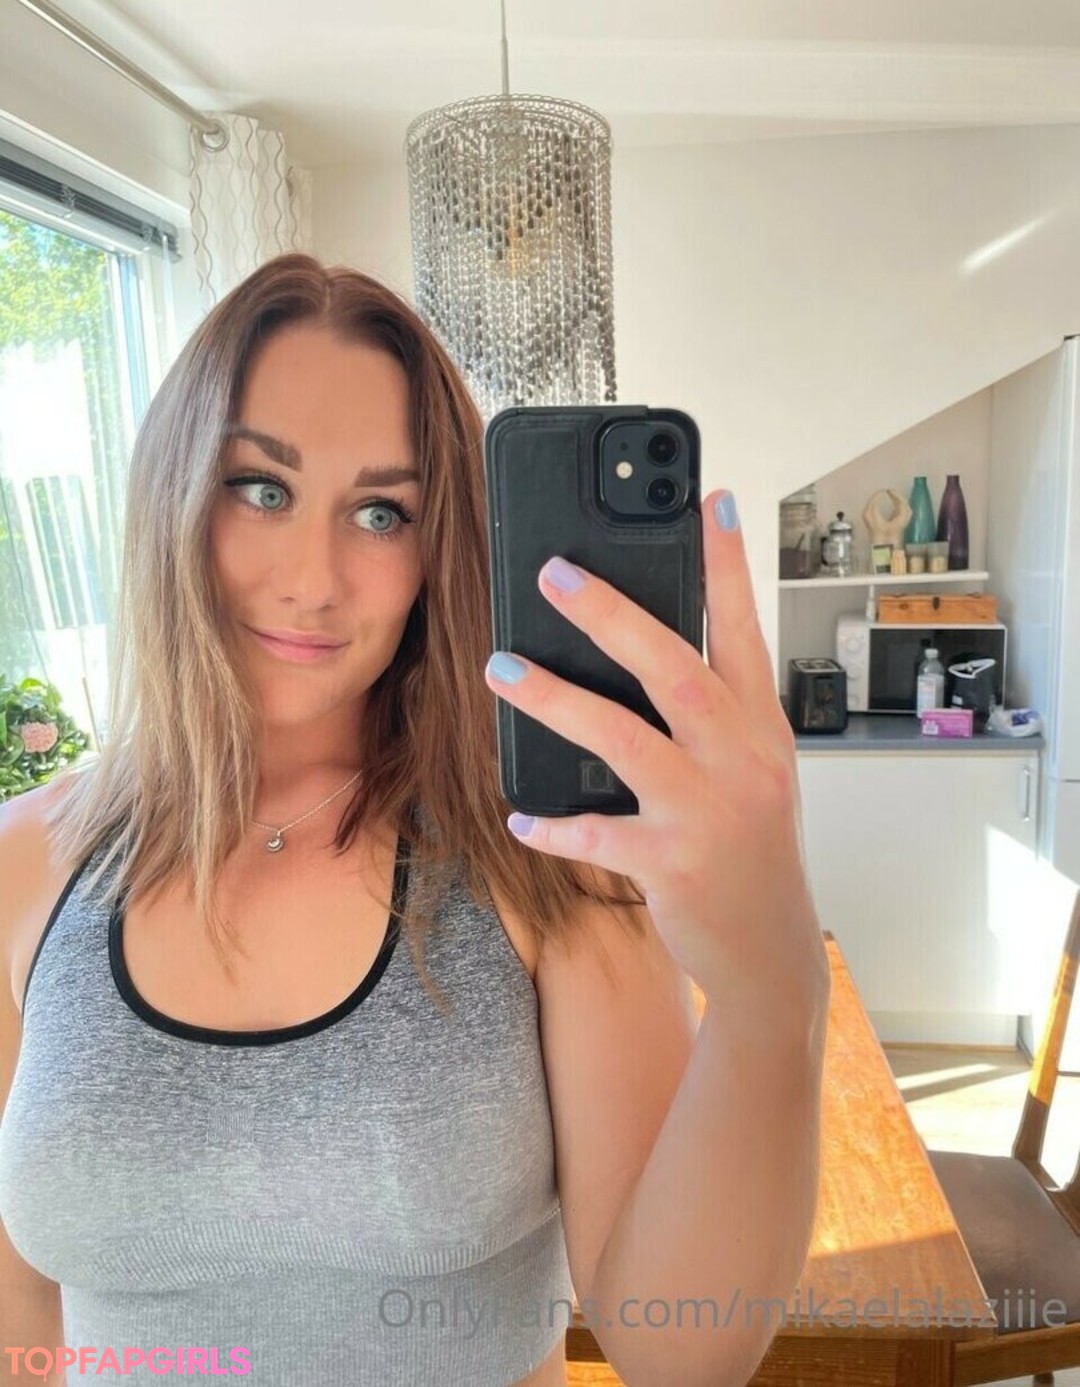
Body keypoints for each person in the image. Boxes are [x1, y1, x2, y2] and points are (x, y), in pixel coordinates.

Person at [0, 254, 830, 1387]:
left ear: (439, 555)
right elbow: (22, 1330)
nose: (315, 579)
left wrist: (772, 998)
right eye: (262, 488)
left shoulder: (543, 856)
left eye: (381, 512)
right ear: (172, 490)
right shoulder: (25, 865)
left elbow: (679, 1344)